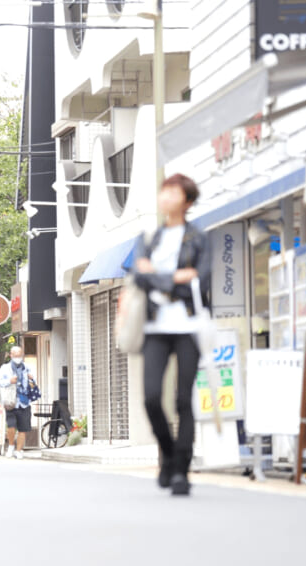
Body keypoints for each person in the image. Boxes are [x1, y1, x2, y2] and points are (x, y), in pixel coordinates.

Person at [130, 173, 211, 496]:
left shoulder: (199, 238)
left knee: (183, 399)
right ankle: (167, 454)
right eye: (165, 191)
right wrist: (175, 277)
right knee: (151, 397)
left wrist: (158, 276)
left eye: (174, 192)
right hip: (154, 327)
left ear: (187, 201)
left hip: (189, 327)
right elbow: (138, 277)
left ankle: (181, 469)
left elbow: (201, 281)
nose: (167, 197)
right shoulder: (149, 237)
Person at [0, 346, 35, 460]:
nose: (18, 357)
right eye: (15, 355)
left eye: (19, 355)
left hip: (24, 402)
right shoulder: (5, 368)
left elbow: (34, 384)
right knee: (11, 427)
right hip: (11, 402)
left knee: (23, 429)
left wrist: (31, 380)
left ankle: (19, 450)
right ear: (11, 355)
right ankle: (11, 446)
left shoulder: (27, 367)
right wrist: (9, 381)